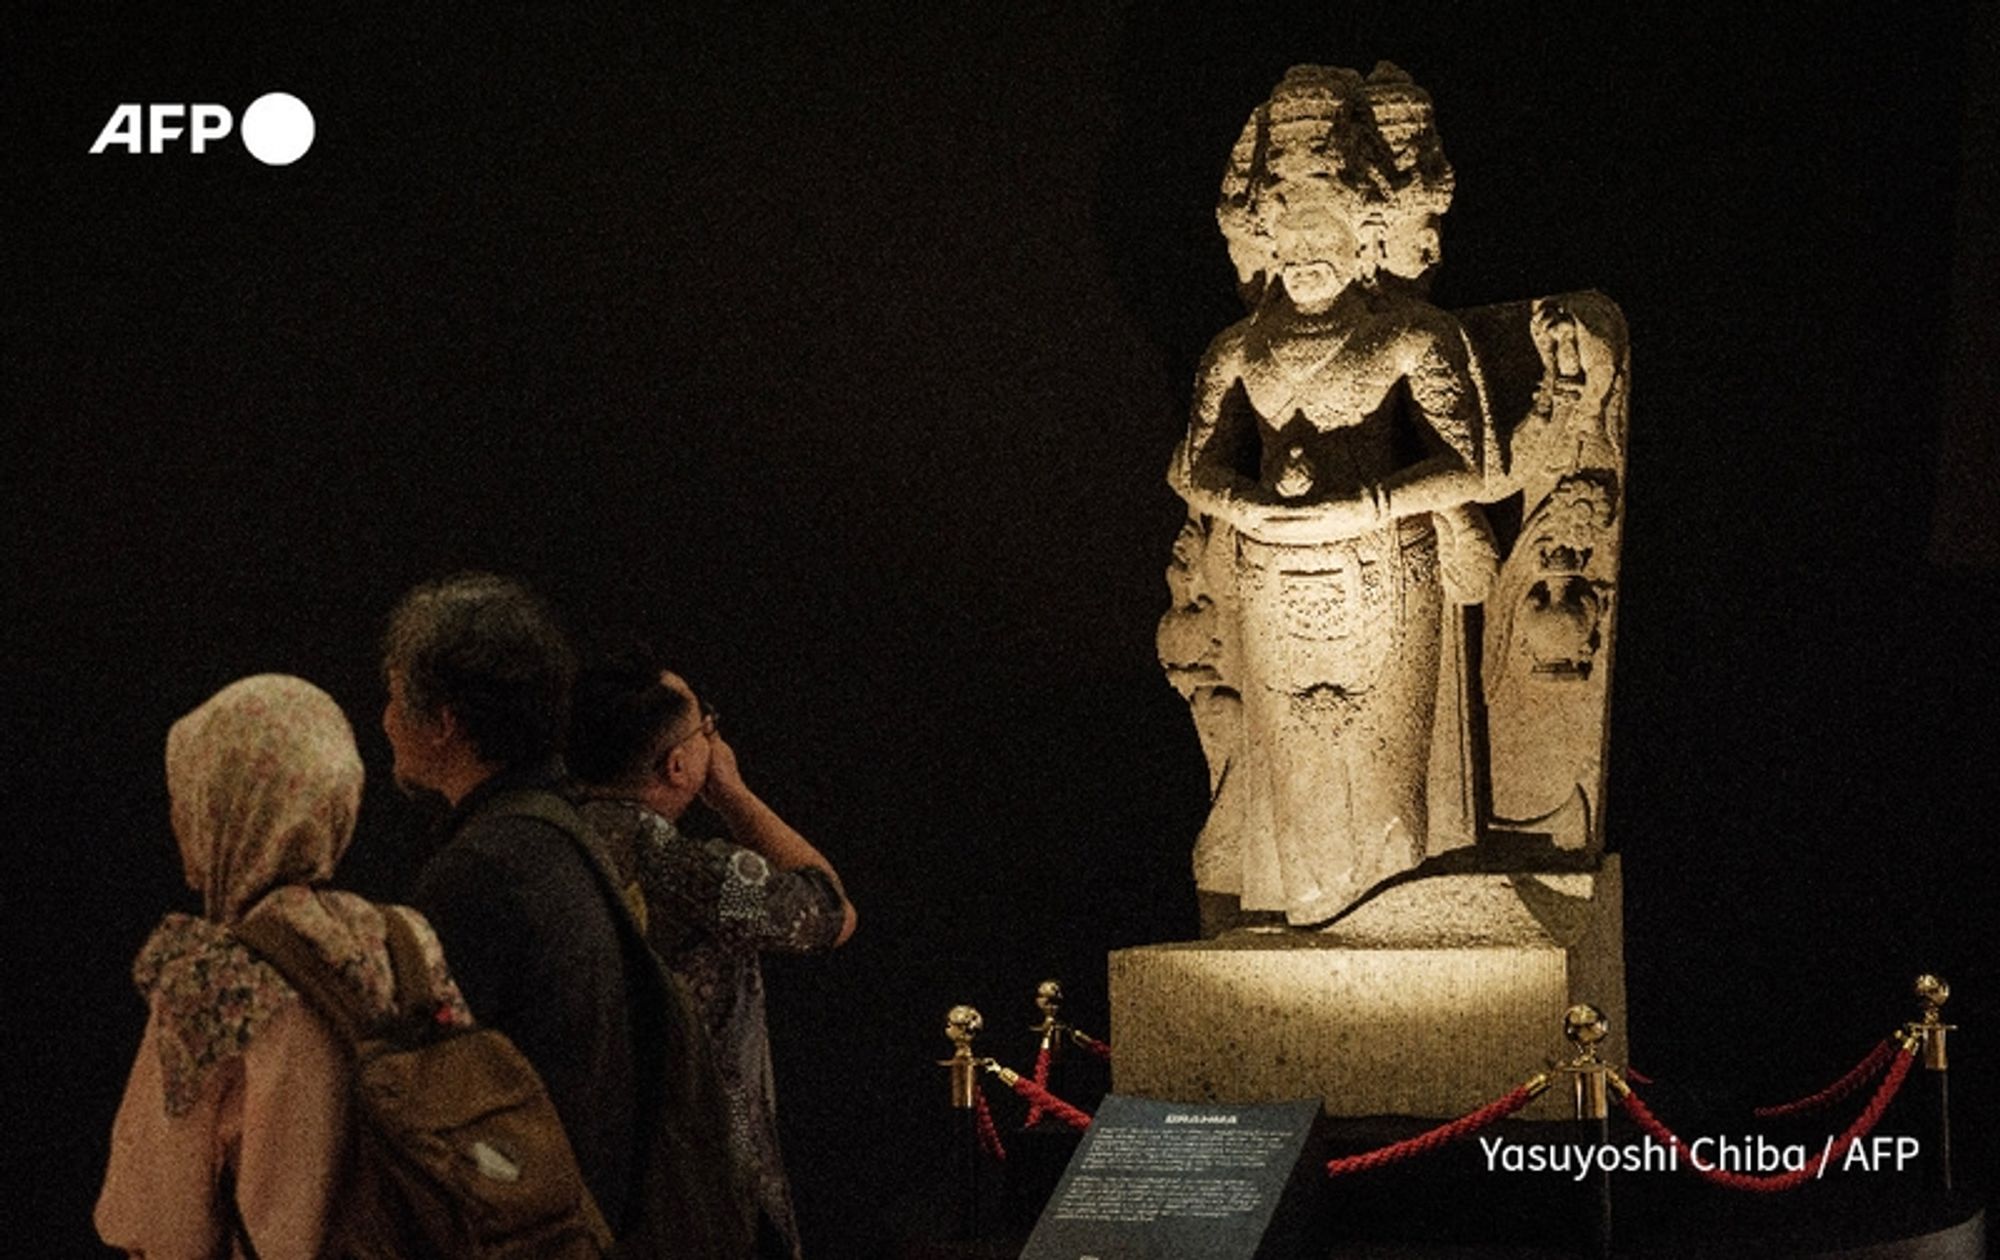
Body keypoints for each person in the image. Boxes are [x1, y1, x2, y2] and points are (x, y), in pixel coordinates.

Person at [381, 572, 748, 1258]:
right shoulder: (557, 834)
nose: (385, 720)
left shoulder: (483, 872)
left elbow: (427, 1122)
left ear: (445, 722)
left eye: (397, 697)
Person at [97, 673, 472, 1259]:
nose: (177, 820)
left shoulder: (210, 975)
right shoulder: (407, 938)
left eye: (187, 795)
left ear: (222, 807)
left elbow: (157, 1222)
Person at [568, 643, 856, 1260]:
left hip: (577, 1184)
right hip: (703, 1193)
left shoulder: (549, 849)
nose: (714, 741)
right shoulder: (692, 875)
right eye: (707, 730)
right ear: (677, 765)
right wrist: (732, 795)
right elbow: (831, 912)